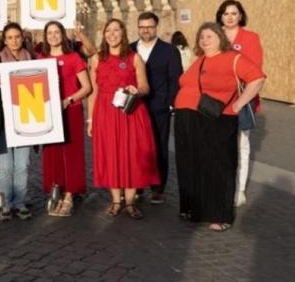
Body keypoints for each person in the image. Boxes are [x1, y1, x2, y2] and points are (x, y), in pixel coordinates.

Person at [174, 22, 265, 231]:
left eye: (209, 36)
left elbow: (257, 78)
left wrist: (239, 103)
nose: (204, 40)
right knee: (191, 164)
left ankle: (220, 215)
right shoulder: (200, 60)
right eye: (201, 37)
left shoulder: (233, 58)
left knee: (219, 166)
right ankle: (193, 209)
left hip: (217, 118)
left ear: (220, 38)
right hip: (187, 118)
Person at [87, 19, 160, 220]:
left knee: (131, 155)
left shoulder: (134, 58)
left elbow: (145, 87)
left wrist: (137, 90)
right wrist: (91, 120)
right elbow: (93, 93)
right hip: (105, 114)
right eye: (108, 31)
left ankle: (130, 201)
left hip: (130, 112)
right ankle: (116, 200)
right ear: (103, 35)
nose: (112, 34)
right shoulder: (95, 59)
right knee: (111, 154)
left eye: (116, 30)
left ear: (123, 33)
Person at [37, 21, 92, 217]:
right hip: (50, 113)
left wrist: (68, 100)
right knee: (52, 154)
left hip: (70, 110)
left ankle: (70, 194)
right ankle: (57, 190)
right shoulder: (40, 58)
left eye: (56, 32)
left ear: (63, 34)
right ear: (45, 36)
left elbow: (87, 88)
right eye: (49, 33)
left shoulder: (73, 57)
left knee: (71, 153)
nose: (53, 36)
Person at [130, 12, 182, 204]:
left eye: (149, 26)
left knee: (159, 147)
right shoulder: (129, 49)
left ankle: (158, 188)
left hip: (158, 108)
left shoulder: (169, 51)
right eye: (142, 26)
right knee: (136, 148)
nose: (145, 30)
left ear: (156, 27)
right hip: (134, 108)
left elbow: (175, 79)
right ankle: (137, 184)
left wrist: (169, 104)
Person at [216, 0, 264, 207]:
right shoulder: (214, 37)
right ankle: (221, 185)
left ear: (240, 16)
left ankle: (240, 189)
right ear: (220, 17)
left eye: (234, 13)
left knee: (241, 145)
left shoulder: (250, 38)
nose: (230, 17)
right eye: (226, 13)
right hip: (217, 100)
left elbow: (254, 68)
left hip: (241, 99)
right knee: (219, 145)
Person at [0, 23, 34, 221]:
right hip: (2, 120)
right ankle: (5, 204)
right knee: (5, 165)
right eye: (10, 37)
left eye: (17, 37)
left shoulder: (32, 59)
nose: (14, 41)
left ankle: (19, 202)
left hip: (25, 119)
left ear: (22, 38)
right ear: (4, 40)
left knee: (22, 164)